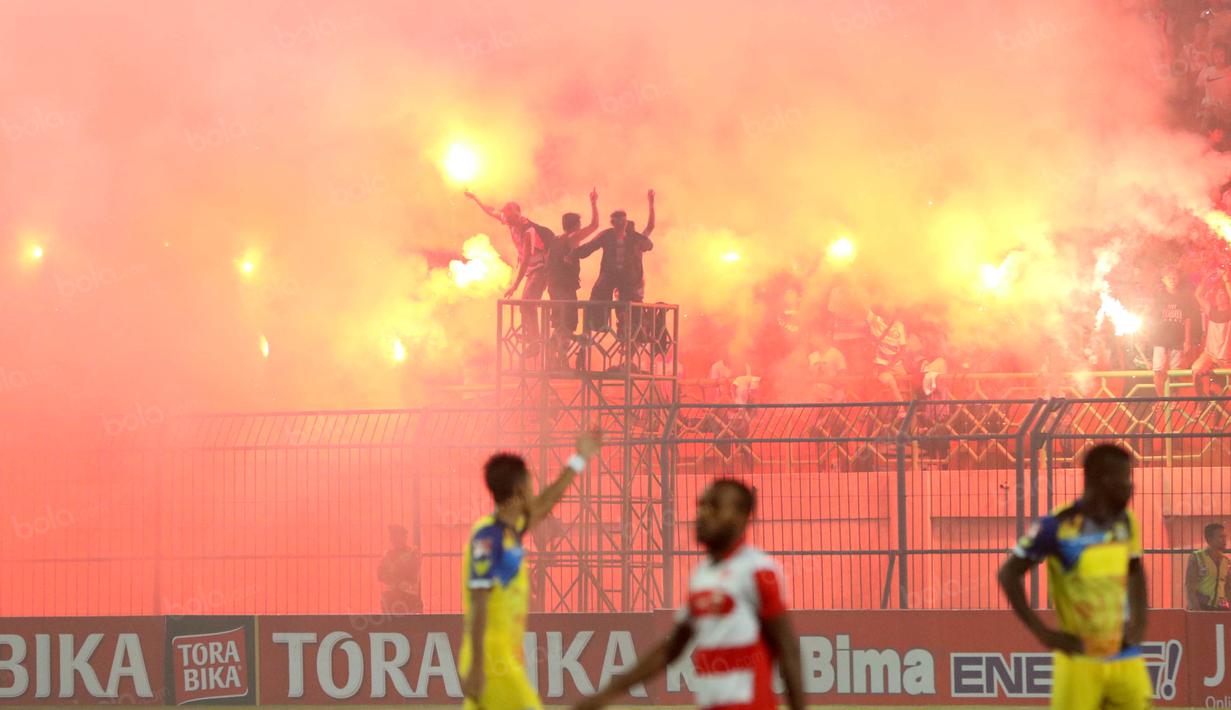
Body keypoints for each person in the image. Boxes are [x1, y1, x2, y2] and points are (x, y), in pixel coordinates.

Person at [575, 479, 804, 710]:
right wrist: (606, 694)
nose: (702, 515)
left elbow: (787, 648)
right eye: (701, 506)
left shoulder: (758, 570)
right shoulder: (701, 576)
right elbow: (671, 648)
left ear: (741, 515)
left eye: (713, 507)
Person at [997, 443, 1150, 710]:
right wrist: (1042, 633)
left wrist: (1139, 622)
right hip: (1079, 659)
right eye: (1125, 479)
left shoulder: (1125, 521)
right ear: (1103, 480)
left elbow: (1135, 570)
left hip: (1125, 656)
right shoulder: (1056, 525)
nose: (1130, 486)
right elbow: (1008, 573)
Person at [460, 430, 603, 710]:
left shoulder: (510, 532)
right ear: (520, 490)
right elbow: (479, 601)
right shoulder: (488, 537)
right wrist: (477, 666)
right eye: (530, 482)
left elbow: (546, 503)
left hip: (502, 658)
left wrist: (579, 459)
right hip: (492, 661)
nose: (534, 489)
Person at [464, 190, 556, 351]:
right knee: (525, 304)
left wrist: (515, 285)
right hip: (533, 270)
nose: (507, 221)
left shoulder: (528, 231)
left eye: (511, 218)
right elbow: (490, 210)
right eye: (506, 218)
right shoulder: (509, 221)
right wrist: (475, 198)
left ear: (519, 214)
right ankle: (532, 337)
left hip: (541, 270)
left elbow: (526, 258)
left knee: (527, 302)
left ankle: (535, 342)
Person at [576, 190, 656, 335]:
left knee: (628, 309)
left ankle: (632, 332)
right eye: (618, 222)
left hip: (630, 282)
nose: (622, 225)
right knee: (599, 299)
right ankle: (600, 328)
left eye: (624, 223)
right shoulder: (608, 236)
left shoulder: (635, 238)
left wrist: (651, 203)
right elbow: (589, 247)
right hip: (615, 278)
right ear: (614, 223)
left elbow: (650, 228)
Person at [546, 189, 600, 365]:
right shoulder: (571, 239)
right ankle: (558, 355)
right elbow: (594, 225)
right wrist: (593, 203)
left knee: (561, 323)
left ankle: (555, 355)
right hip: (565, 288)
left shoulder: (555, 240)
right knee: (568, 323)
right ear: (576, 225)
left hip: (555, 287)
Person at [1148, 266, 1200, 396]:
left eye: (1174, 276)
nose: (1172, 279)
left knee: (1175, 372)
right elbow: (1152, 317)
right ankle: (1162, 400)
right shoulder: (1158, 297)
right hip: (1160, 339)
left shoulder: (1184, 297)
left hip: (1177, 339)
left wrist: (1187, 341)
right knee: (1158, 370)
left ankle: (1173, 398)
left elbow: (1188, 319)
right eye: (1168, 277)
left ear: (1178, 279)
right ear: (1163, 280)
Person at [1193, 265, 1231, 395]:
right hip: (1210, 354)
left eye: (1223, 293)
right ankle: (1201, 400)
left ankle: (1219, 410)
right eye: (1218, 294)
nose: (1220, 296)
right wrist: (1205, 278)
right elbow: (1198, 295)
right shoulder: (1211, 310)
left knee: (1221, 388)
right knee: (1196, 369)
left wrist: (1226, 280)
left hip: (1227, 358)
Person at [377, 524, 422, 614]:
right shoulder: (387, 554)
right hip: (392, 597)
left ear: (404, 537)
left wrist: (393, 577)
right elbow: (380, 575)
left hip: (407, 596)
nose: (392, 539)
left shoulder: (413, 553)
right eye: (392, 536)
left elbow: (412, 573)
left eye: (395, 535)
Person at [1186, 522, 1231, 610]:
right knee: (1205, 624)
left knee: (1220, 624)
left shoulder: (1226, 561)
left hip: (1220, 609)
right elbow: (1190, 587)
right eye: (1221, 537)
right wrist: (1195, 609)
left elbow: (1228, 588)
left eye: (1225, 536)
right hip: (1202, 607)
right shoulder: (1197, 557)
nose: (1225, 540)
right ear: (1209, 539)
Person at [867, 307, 907, 401]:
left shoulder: (899, 325)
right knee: (890, 381)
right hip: (880, 365)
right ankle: (901, 409)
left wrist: (891, 365)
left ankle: (907, 409)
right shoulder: (875, 321)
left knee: (905, 384)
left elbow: (903, 348)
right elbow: (863, 308)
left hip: (897, 366)